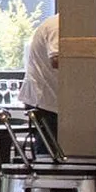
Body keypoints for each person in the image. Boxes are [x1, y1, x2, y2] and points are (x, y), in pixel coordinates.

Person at [20, 11, 60, 148]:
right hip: (45, 99)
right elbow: (56, 59)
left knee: (49, 150)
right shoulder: (59, 25)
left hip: (48, 98)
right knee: (49, 153)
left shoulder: (56, 23)